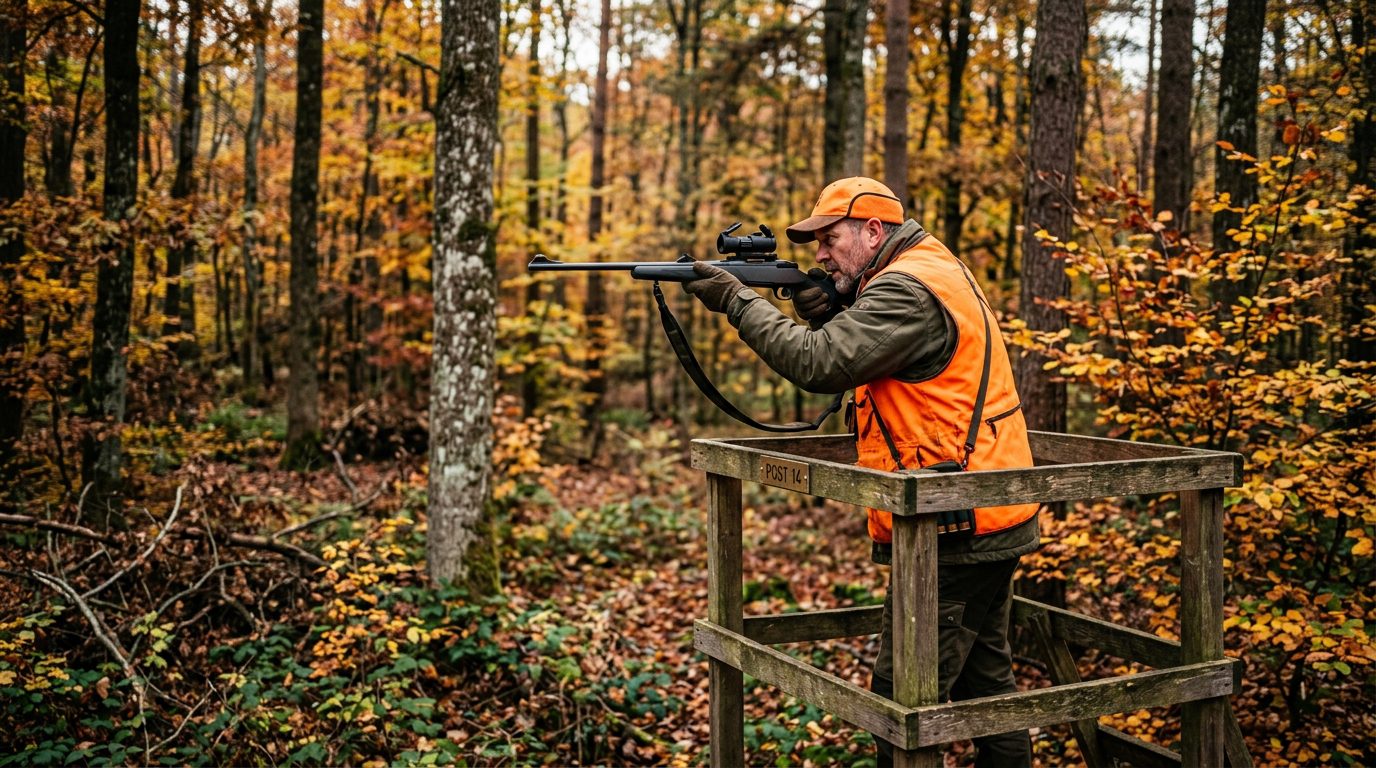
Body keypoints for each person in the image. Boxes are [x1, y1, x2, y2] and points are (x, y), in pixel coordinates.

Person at [682, 177, 1039, 767]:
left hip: (951, 522)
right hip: (978, 510)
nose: (819, 254)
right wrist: (839, 303)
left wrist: (737, 301)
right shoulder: (931, 268)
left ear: (874, 231)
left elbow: (818, 362)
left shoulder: (906, 290)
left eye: (831, 238)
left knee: (900, 703)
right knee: (985, 688)